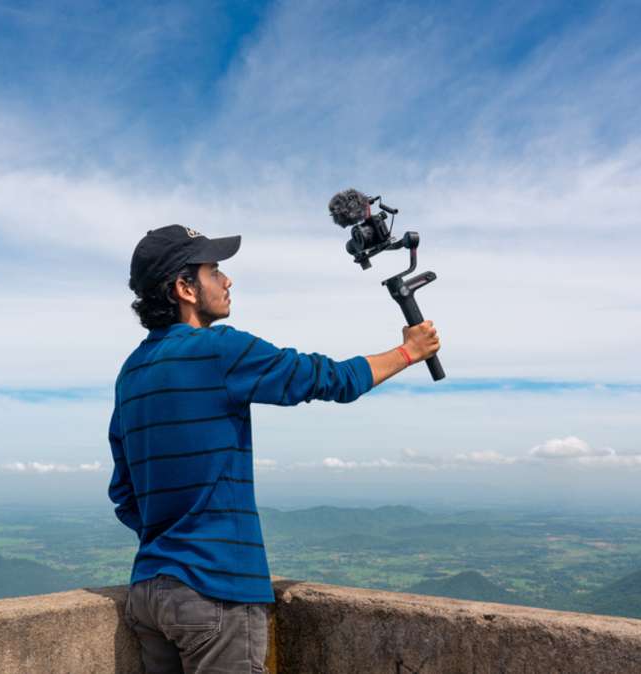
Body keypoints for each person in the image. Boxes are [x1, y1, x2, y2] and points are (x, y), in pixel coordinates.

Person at [109, 224, 440, 673]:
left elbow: (125, 495)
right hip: (216, 587)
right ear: (185, 288)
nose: (227, 280)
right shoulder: (220, 351)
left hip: (149, 592)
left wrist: (167, 540)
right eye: (215, 271)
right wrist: (408, 352)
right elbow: (328, 379)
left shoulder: (131, 372)